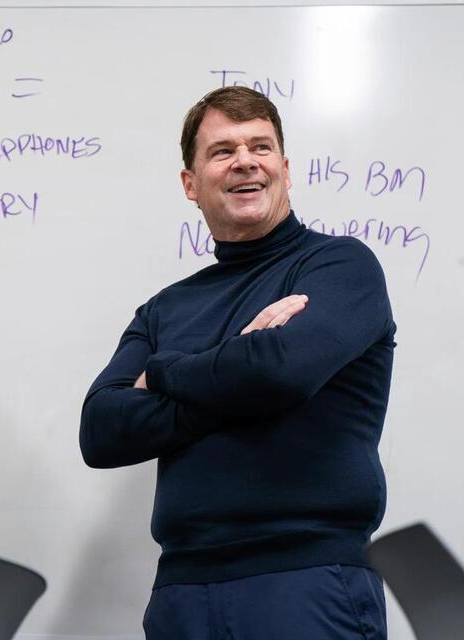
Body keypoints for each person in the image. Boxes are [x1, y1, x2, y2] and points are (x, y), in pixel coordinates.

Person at [79, 87, 395, 639]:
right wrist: (240, 374)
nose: (245, 161)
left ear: (285, 170)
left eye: (260, 147)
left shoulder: (340, 266)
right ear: (190, 184)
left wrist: (166, 372)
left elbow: (280, 372)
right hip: (180, 593)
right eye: (223, 151)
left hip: (306, 580)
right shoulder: (164, 309)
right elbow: (101, 430)